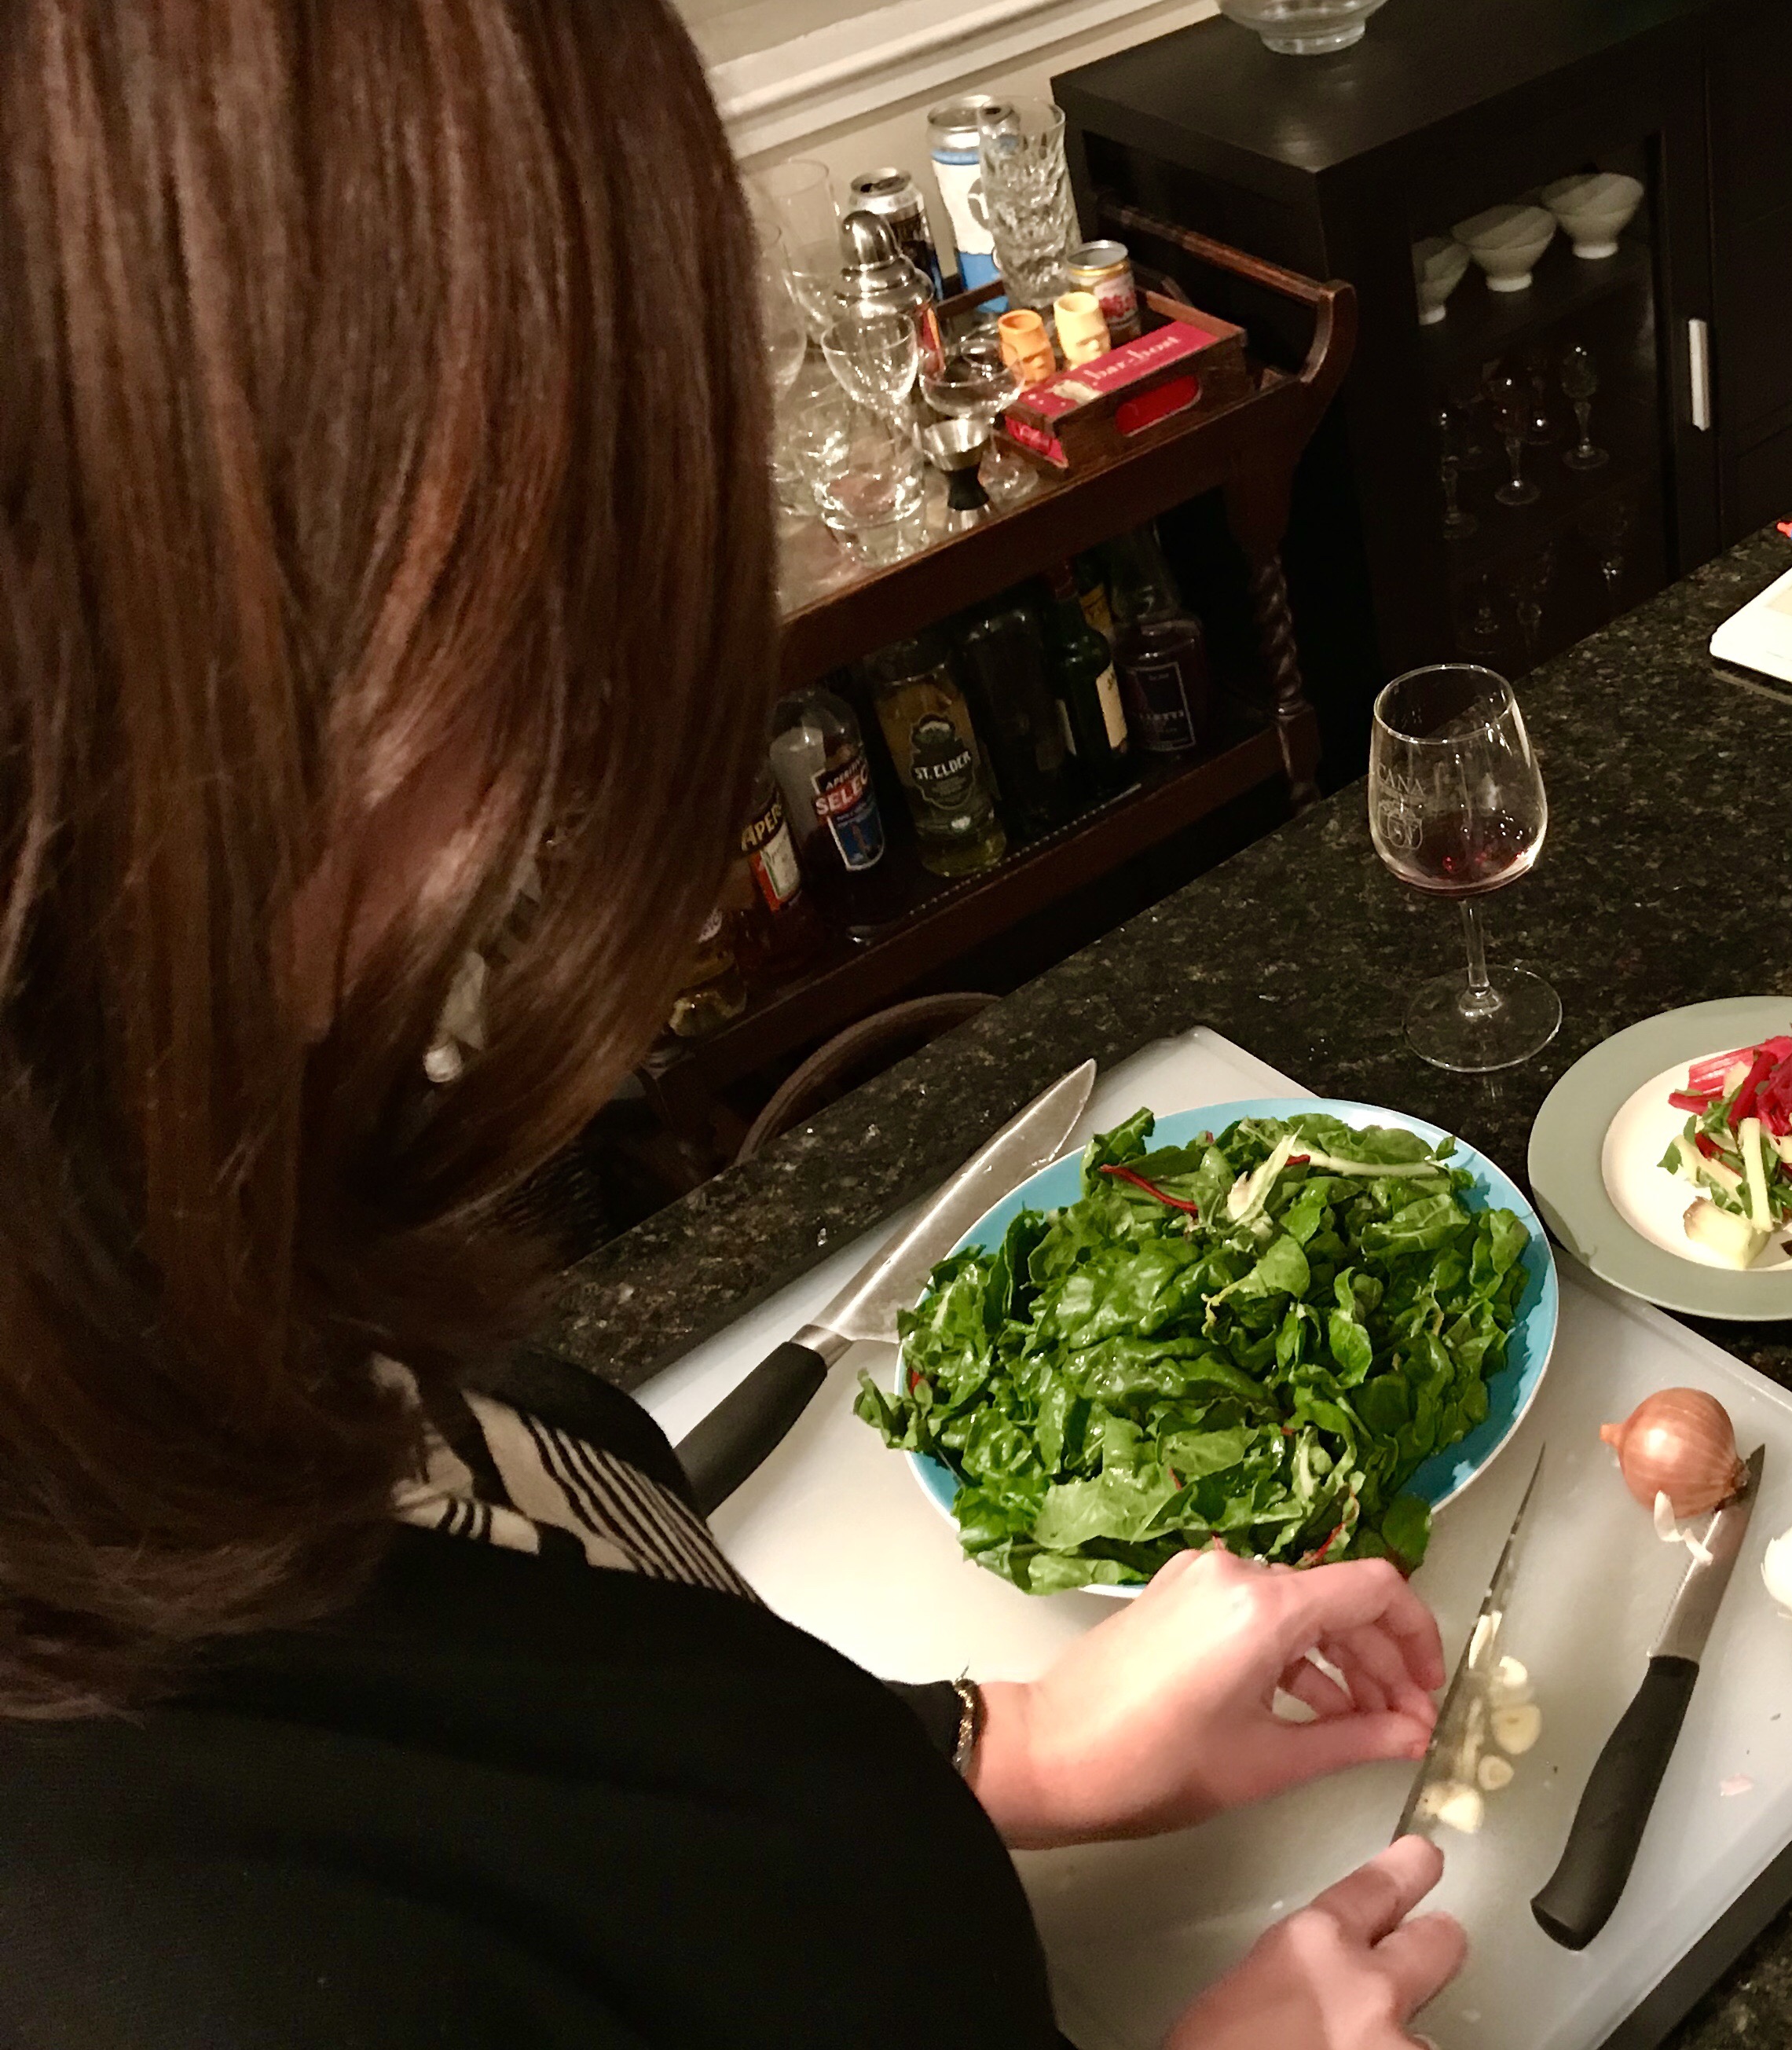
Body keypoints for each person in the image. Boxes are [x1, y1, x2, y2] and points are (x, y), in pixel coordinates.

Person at [0, 2, 1467, 2044]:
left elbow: (575, 1733)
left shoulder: (170, 1265)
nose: (572, 737)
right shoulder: (151, 1955)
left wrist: (996, 1743)